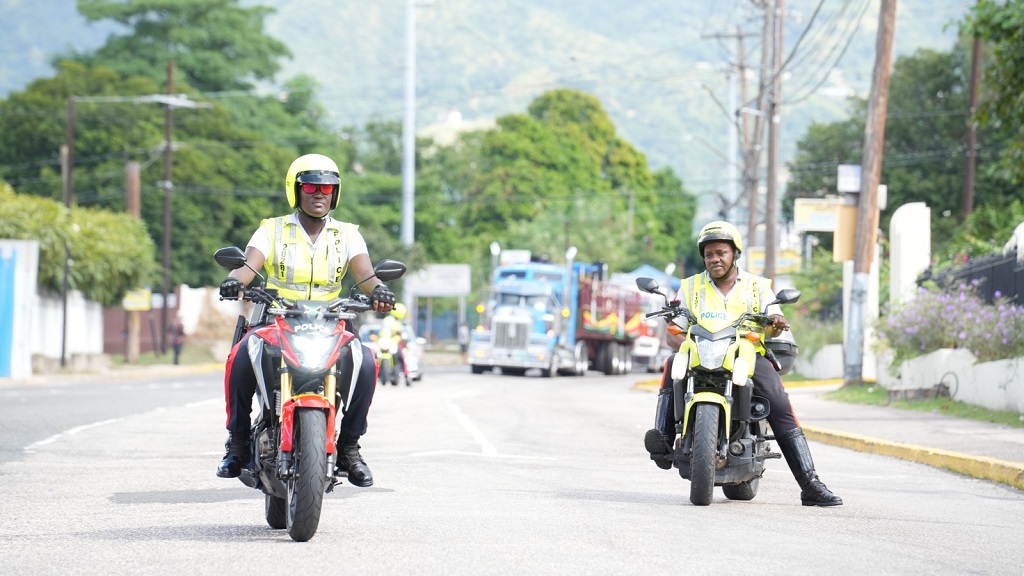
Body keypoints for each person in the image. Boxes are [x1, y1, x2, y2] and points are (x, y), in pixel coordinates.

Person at [216, 153, 396, 488]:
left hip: (333, 323)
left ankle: (349, 448)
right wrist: (236, 281)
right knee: (240, 357)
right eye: (311, 185)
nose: (319, 193)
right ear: (296, 190)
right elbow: (247, 265)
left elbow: (366, 275)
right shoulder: (271, 230)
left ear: (335, 193)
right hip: (276, 320)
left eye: (327, 187)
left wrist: (380, 290)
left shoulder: (348, 235)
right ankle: (237, 442)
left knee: (368, 362)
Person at [645, 221, 842, 507]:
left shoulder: (758, 287)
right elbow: (675, 330)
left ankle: (810, 483)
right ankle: (662, 441)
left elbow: (774, 326)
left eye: (721, 252)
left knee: (778, 401)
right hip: (702, 353)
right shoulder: (691, 287)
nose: (715, 259)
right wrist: (679, 337)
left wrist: (776, 323)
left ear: (735, 254)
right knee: (672, 362)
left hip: (746, 356)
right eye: (709, 254)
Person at [379, 302, 408, 379]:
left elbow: (402, 335)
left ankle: (406, 374)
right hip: (386, 342)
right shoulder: (390, 321)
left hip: (394, 344)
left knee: (402, 357)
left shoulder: (394, 322)